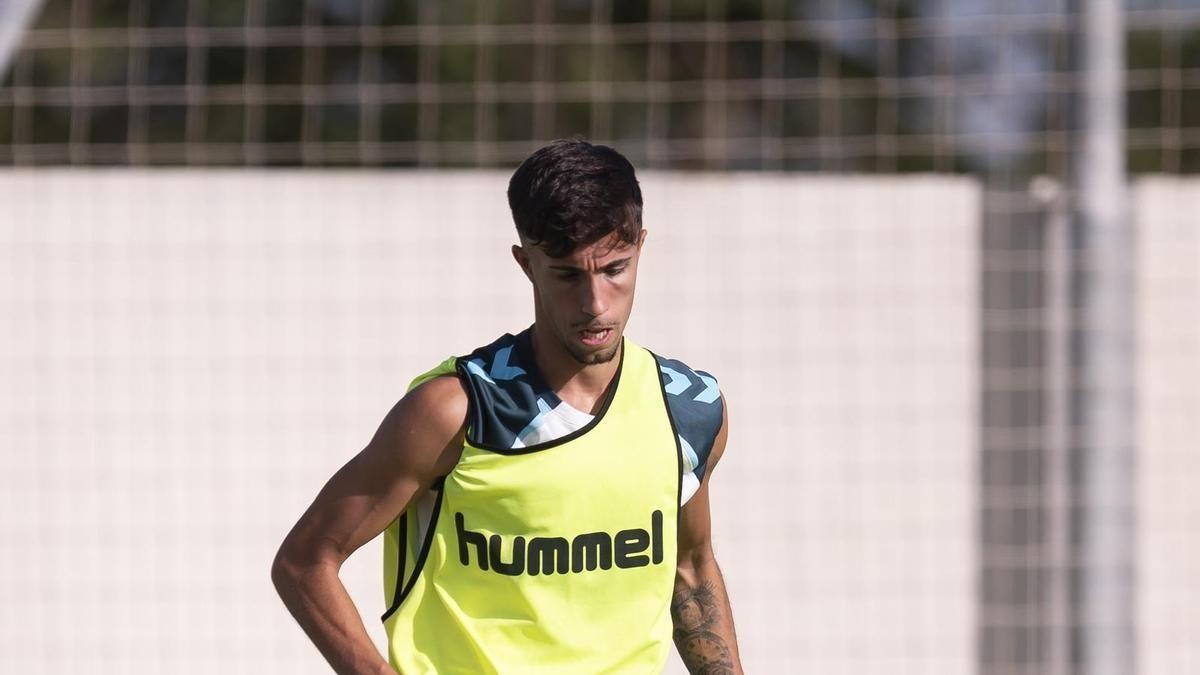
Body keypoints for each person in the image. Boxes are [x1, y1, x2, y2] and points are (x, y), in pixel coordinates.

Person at [271, 138, 743, 674]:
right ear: (526, 264)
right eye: (567, 275)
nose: (595, 304)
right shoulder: (456, 411)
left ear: (641, 248)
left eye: (615, 268)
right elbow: (305, 560)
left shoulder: (690, 408)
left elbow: (691, 568)